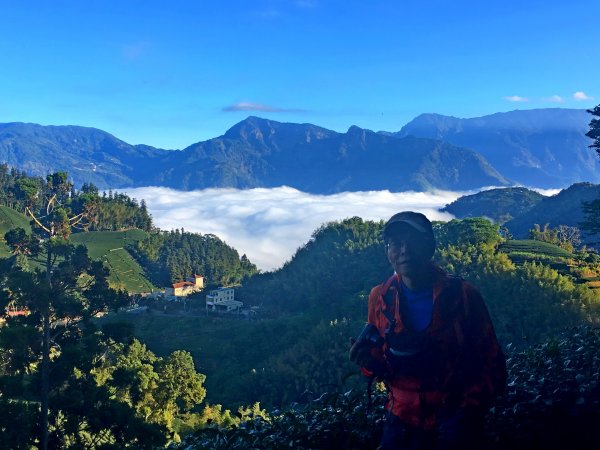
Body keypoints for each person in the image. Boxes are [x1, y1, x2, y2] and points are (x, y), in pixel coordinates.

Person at [349, 211, 507, 450]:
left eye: (412, 242)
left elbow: (491, 362)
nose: (404, 250)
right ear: (387, 251)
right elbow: (383, 363)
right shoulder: (380, 298)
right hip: (401, 420)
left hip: (455, 418)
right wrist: (368, 362)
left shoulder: (462, 296)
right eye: (395, 243)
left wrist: (468, 410)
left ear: (430, 246)